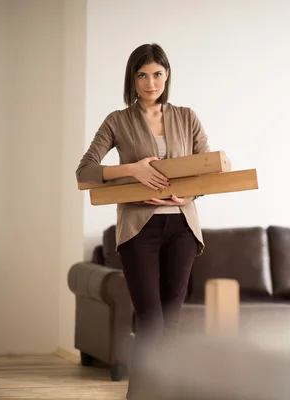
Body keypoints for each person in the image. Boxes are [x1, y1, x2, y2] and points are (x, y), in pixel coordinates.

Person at [75, 43, 210, 399]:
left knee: (171, 323)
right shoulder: (117, 121)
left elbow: (208, 171)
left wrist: (190, 196)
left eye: (158, 74)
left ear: (167, 76)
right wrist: (133, 169)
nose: (151, 83)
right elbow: (86, 169)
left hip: (182, 227)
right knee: (151, 321)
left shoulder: (187, 116)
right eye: (142, 75)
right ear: (132, 79)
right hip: (139, 231)